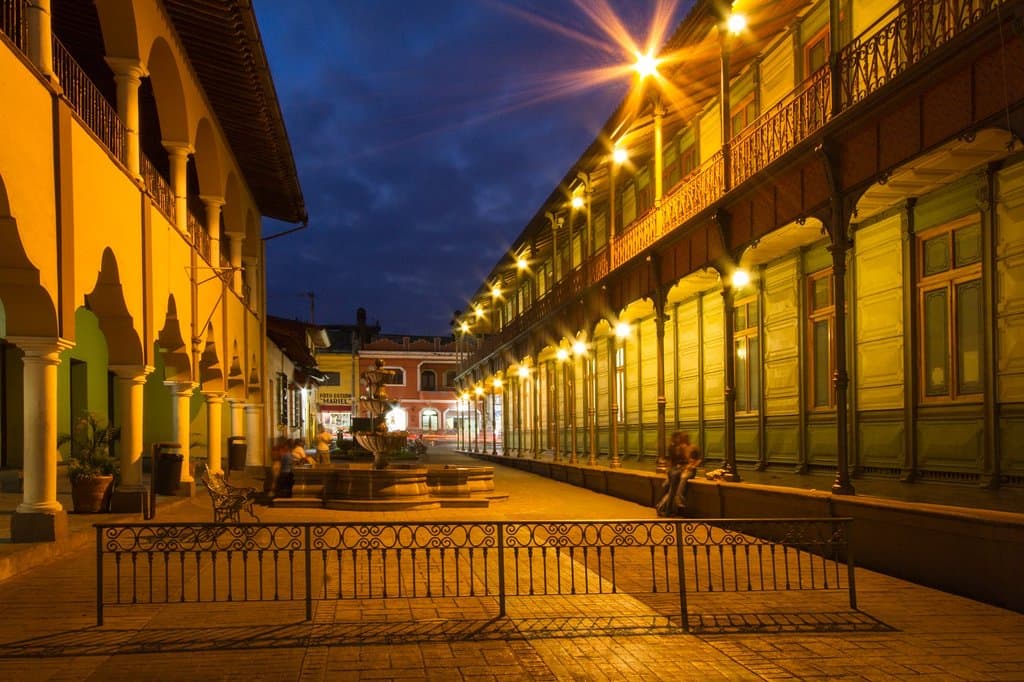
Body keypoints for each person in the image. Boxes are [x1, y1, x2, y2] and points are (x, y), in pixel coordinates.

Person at [656, 431, 702, 517]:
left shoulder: (690, 447)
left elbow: (695, 460)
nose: (682, 440)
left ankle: (664, 506)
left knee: (672, 488)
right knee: (672, 489)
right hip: (679, 471)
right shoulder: (680, 447)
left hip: (683, 471)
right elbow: (681, 461)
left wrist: (691, 465)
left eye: (683, 438)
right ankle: (666, 507)